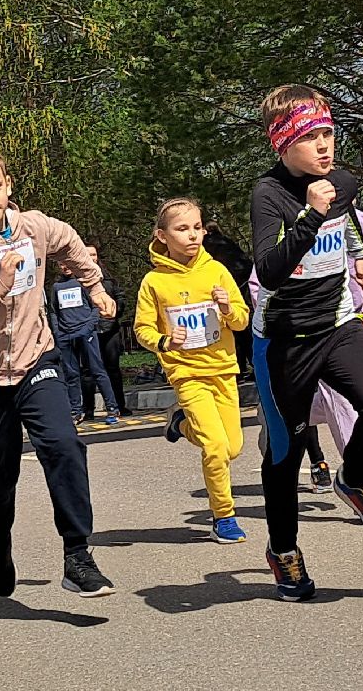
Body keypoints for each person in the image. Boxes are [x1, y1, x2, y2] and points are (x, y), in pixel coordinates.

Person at [0, 142, 117, 599]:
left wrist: (93, 286)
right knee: (0, 471)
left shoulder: (32, 227)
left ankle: (78, 555)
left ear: (9, 185)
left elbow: (69, 241)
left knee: (64, 444)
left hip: (38, 359)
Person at [250, 87, 363, 602]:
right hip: (284, 341)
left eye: (329, 134)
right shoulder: (267, 195)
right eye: (311, 137)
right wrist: (311, 216)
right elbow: (270, 271)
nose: (325, 147)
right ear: (282, 144)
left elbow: (349, 222)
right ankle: (284, 552)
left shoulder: (341, 182)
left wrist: (360, 253)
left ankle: (356, 480)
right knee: (286, 451)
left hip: (338, 324)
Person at [135, 198, 251, 543]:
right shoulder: (154, 282)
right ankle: (224, 516)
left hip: (223, 370)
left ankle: (180, 424)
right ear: (162, 235)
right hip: (187, 374)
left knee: (232, 448)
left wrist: (228, 308)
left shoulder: (216, 271)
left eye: (197, 227)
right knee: (215, 446)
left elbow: (243, 320)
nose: (192, 236)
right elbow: (142, 330)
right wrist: (165, 341)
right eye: (182, 229)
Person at [47, 260, 121, 427]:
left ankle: (112, 408)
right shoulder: (56, 287)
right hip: (66, 336)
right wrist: (58, 333)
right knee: (71, 374)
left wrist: (89, 327)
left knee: (97, 370)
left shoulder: (83, 283)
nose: (64, 267)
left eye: (67, 264)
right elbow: (53, 311)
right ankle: (75, 411)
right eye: (61, 265)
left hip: (85, 333)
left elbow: (96, 307)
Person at [81, 246, 132, 419]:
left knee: (113, 369)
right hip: (89, 331)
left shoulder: (109, 279)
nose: (92, 258)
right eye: (88, 255)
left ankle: (120, 406)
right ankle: (88, 410)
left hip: (110, 330)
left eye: (94, 254)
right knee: (88, 371)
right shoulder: (77, 280)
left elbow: (121, 298)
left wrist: (114, 314)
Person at [202, 221, 255, 378]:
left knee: (236, 332)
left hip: (231, 287)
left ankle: (239, 367)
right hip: (245, 286)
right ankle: (252, 366)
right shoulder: (226, 241)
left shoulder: (207, 245)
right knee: (245, 329)